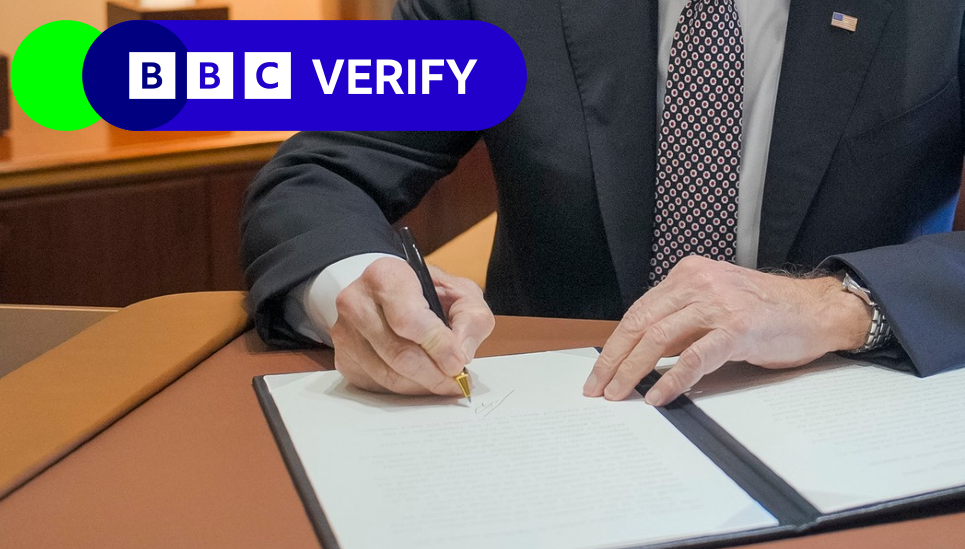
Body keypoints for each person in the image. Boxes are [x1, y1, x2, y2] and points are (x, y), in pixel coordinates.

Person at [241, 0, 965, 405]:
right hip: (550, 424)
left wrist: (838, 306)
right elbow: (322, 169)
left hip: (848, 422)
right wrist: (356, 290)